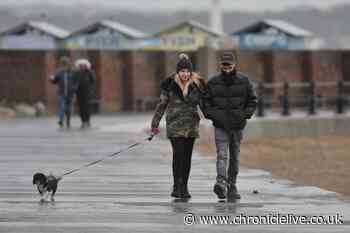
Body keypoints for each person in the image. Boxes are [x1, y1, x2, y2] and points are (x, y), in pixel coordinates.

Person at [202, 51, 257, 200]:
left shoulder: (244, 81)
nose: (226, 68)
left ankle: (232, 185)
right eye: (224, 65)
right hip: (220, 125)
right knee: (222, 154)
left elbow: (252, 100)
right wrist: (212, 115)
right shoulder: (213, 82)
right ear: (220, 64)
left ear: (234, 65)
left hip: (237, 126)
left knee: (234, 157)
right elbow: (205, 102)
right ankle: (221, 182)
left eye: (229, 65)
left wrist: (245, 114)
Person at [150, 54, 206, 199]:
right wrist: (154, 125)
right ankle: (176, 186)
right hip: (175, 125)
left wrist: (214, 117)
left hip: (191, 125)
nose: (185, 74)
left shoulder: (197, 86)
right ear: (177, 72)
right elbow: (161, 105)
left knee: (187, 157)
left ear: (191, 72)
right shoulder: (169, 85)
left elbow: (205, 105)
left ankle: (184, 186)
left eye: (188, 71)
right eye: (182, 71)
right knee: (178, 155)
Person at [50, 56, 75, 129]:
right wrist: (51, 79)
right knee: (62, 107)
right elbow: (55, 81)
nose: (63, 66)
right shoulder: (59, 72)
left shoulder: (72, 72)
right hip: (62, 93)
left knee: (69, 108)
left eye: (65, 64)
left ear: (68, 64)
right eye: (62, 64)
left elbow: (76, 81)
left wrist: (74, 88)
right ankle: (61, 121)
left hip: (70, 93)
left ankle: (68, 121)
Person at [74, 59, 96, 129]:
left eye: (84, 65)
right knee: (81, 108)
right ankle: (83, 121)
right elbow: (74, 81)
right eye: (81, 65)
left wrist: (92, 90)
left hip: (87, 93)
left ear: (86, 66)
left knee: (87, 107)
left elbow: (93, 80)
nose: (82, 66)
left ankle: (88, 120)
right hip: (79, 93)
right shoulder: (77, 73)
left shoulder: (89, 72)